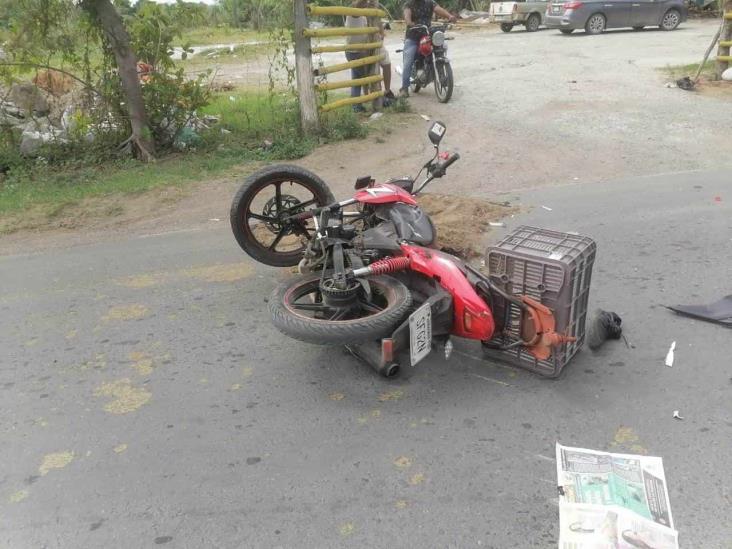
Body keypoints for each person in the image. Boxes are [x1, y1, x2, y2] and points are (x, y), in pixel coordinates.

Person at [345, 0, 395, 111]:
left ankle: (360, 103)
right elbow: (358, 4)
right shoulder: (354, 12)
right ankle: (376, 99)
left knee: (359, 78)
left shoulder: (365, 14)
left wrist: (381, 33)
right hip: (357, 52)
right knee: (367, 76)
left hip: (363, 49)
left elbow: (377, 21)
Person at [400, 0, 456, 98]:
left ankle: (435, 71)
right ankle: (404, 88)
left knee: (441, 47)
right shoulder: (409, 4)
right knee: (408, 60)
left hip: (427, 35)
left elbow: (438, 9)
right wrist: (410, 23)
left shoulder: (429, 3)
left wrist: (449, 16)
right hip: (413, 37)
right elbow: (407, 16)